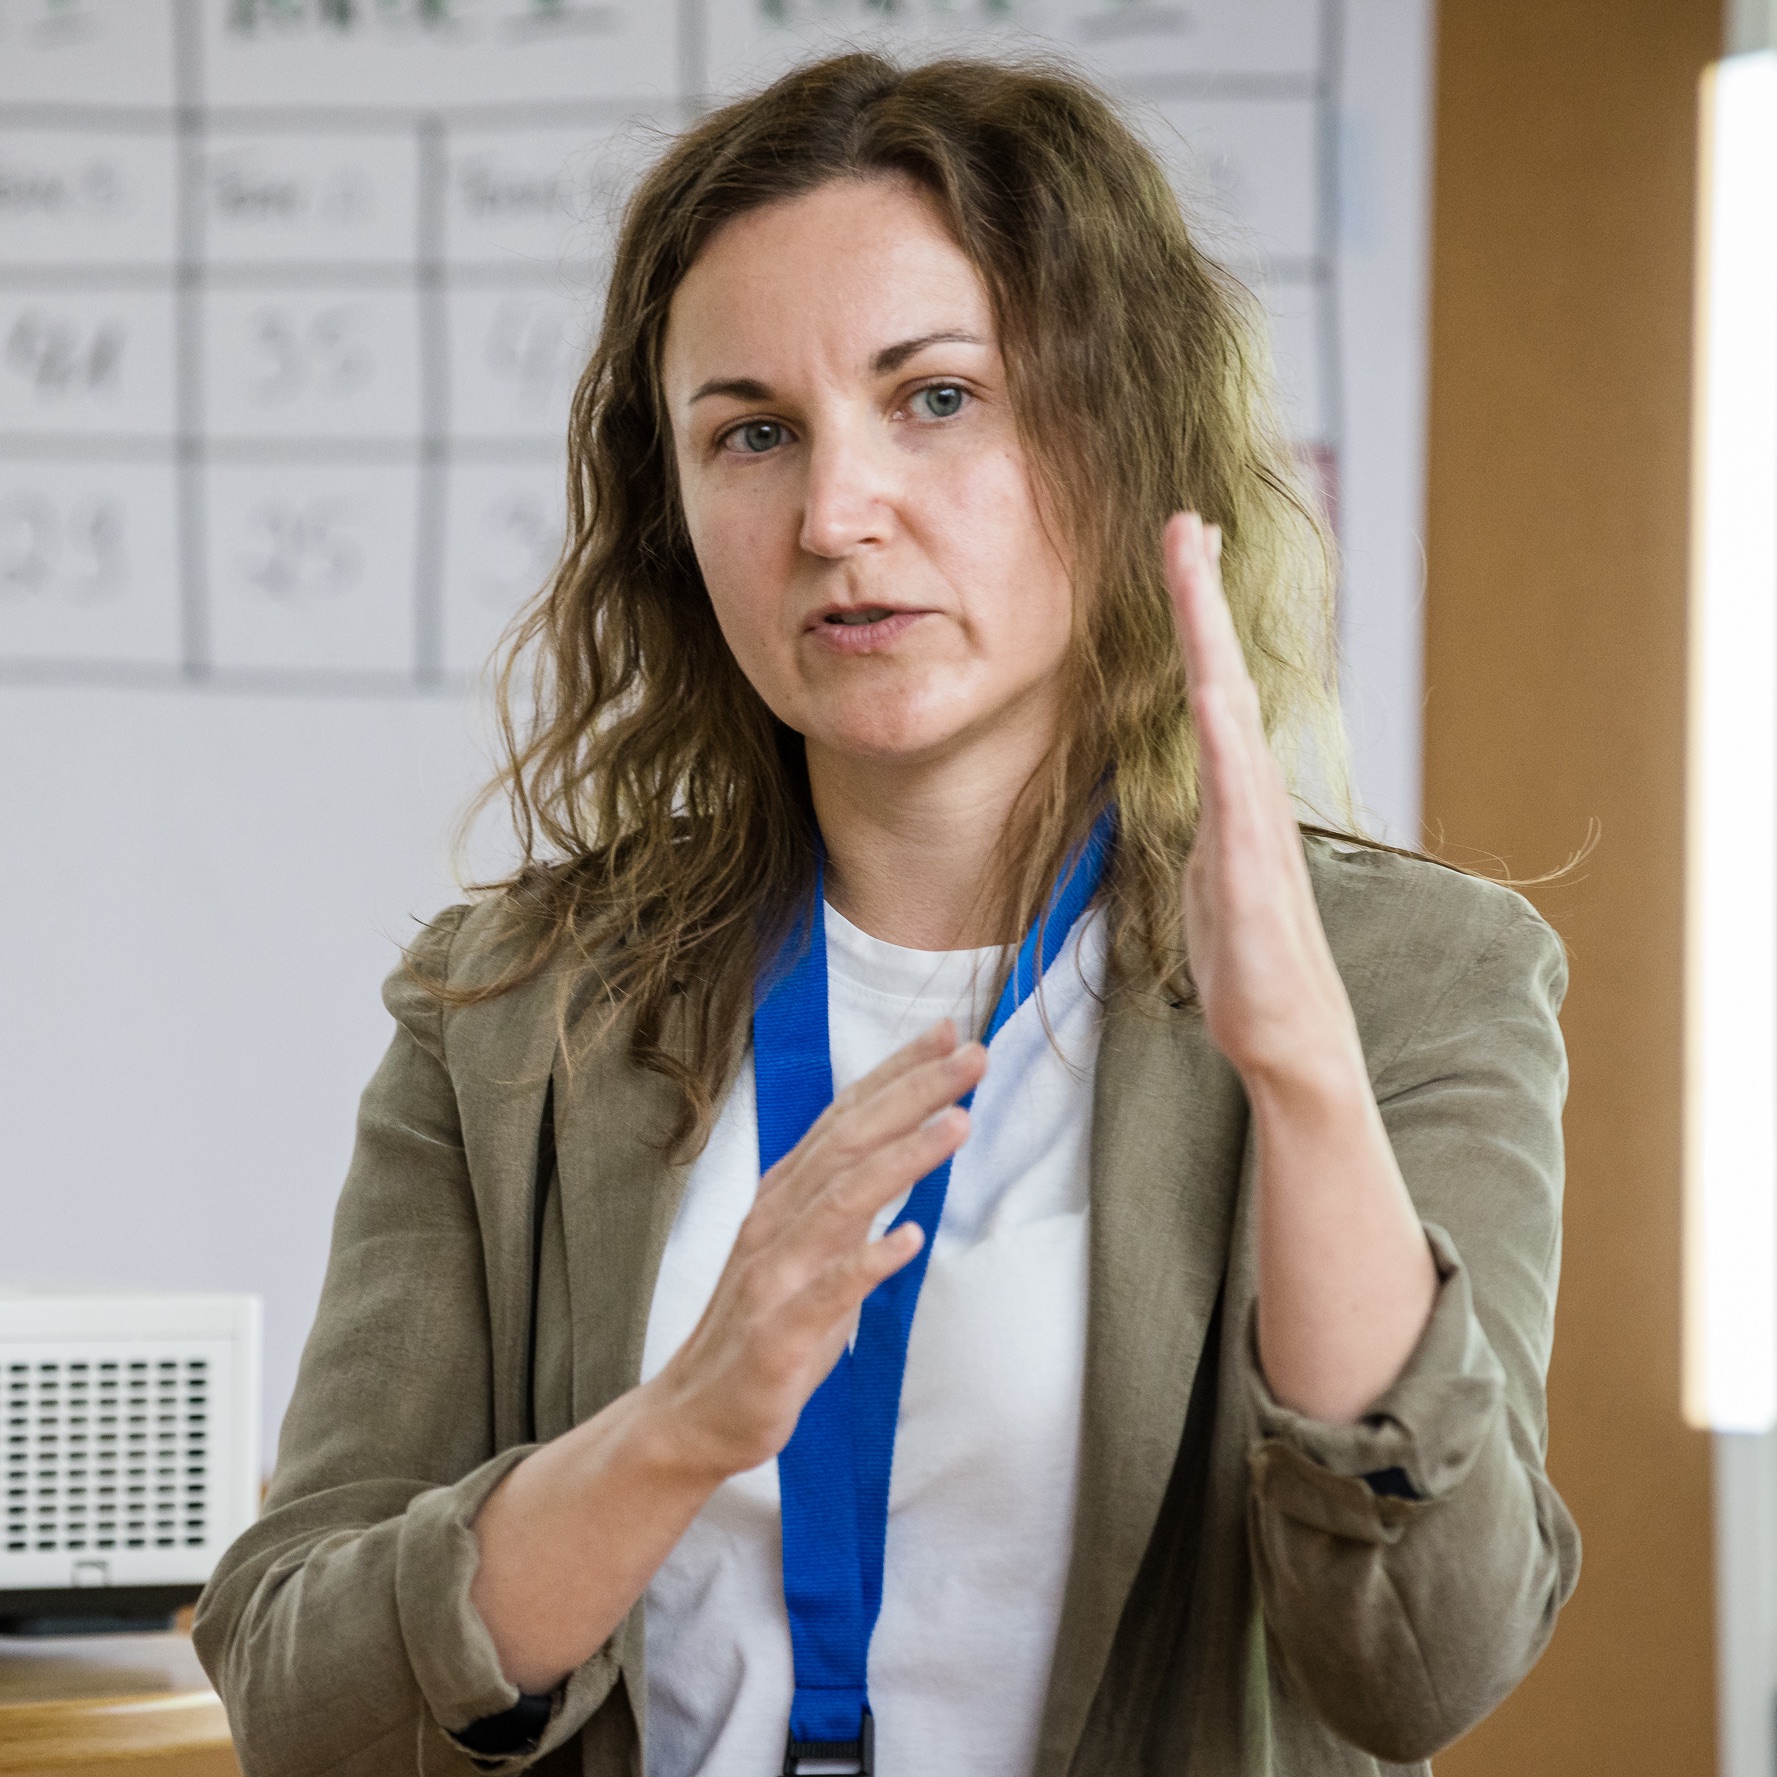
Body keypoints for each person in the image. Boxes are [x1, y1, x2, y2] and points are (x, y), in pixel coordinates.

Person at [193, 50, 1579, 1777]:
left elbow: (1422, 1664)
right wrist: (671, 1432)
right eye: (752, 432)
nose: (836, 514)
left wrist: (1301, 1081)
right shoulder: (505, 1011)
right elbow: (298, 1695)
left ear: (1114, 429)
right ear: (677, 512)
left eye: (935, 397)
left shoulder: (1406, 980)